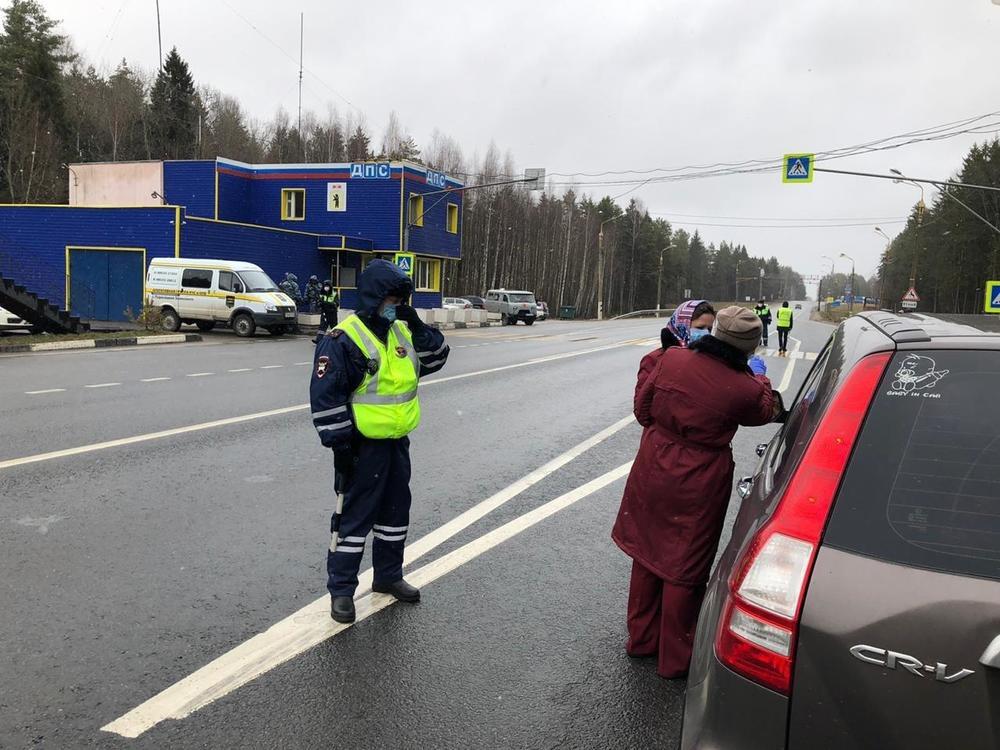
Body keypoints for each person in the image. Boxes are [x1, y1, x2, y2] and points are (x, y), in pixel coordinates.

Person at [612, 306, 780, 679]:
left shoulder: (671, 359)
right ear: (749, 348)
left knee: (646, 550)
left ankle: (640, 640)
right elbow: (765, 411)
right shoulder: (744, 388)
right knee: (684, 566)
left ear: (715, 334)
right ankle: (676, 658)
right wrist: (761, 379)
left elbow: (643, 409)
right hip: (701, 478)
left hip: (654, 463)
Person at [310, 259, 449, 624]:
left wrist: (418, 326)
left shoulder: (403, 333)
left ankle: (388, 576)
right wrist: (341, 448)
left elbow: (436, 358)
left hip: (396, 444)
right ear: (373, 297)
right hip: (360, 446)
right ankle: (341, 590)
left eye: (401, 300)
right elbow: (327, 397)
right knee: (353, 520)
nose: (396, 306)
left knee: (394, 514)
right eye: (391, 299)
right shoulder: (343, 339)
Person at [636, 300, 715, 414]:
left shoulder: (709, 360)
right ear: (683, 325)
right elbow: (642, 410)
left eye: (709, 329)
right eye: (700, 327)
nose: (706, 333)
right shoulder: (654, 359)